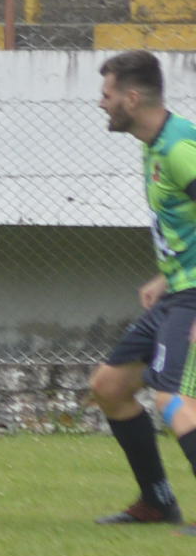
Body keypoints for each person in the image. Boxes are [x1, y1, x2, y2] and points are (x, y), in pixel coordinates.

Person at [86, 49, 196, 528]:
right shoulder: (152, 144)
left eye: (107, 94)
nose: (101, 103)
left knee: (173, 399)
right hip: (177, 289)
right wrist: (165, 272)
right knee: (110, 386)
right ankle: (157, 501)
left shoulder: (178, 150)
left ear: (132, 97)